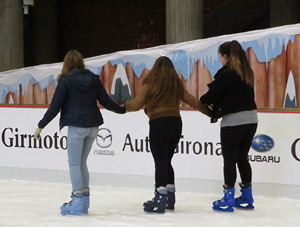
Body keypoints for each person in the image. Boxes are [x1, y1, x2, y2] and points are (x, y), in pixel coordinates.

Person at [33, 50, 126, 216]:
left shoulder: (66, 81)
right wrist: (122, 110)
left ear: (66, 64)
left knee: (75, 164)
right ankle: (84, 201)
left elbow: (55, 107)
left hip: (76, 126)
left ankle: (77, 201)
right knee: (82, 163)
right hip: (93, 126)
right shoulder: (93, 79)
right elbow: (105, 101)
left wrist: (41, 126)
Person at [125, 56, 211, 213]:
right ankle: (170, 198)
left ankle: (160, 198)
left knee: (160, 161)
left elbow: (136, 104)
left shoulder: (149, 85)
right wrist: (210, 113)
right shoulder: (176, 86)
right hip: (175, 124)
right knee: (167, 160)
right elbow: (193, 101)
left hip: (158, 124)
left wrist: (121, 107)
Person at [200, 40, 258, 212]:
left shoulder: (227, 74)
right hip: (251, 120)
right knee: (242, 158)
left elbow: (211, 96)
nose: (220, 59)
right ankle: (247, 196)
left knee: (230, 160)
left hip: (233, 122)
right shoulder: (246, 73)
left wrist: (202, 101)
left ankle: (228, 198)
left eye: (220, 56)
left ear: (225, 56)